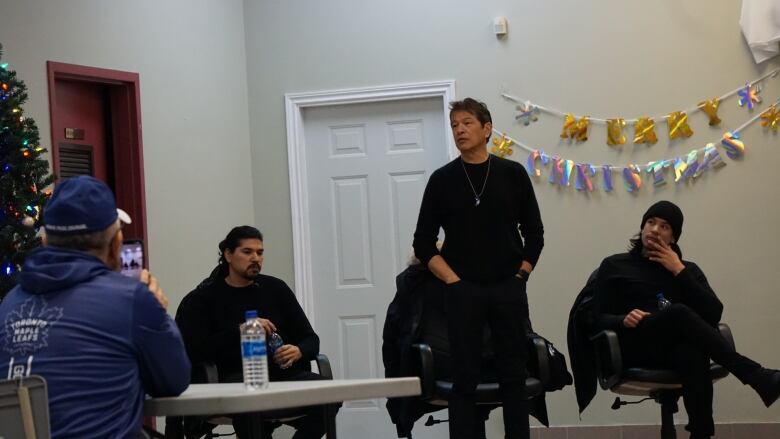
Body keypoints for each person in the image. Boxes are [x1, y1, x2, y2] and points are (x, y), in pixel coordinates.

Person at [0, 175, 190, 438]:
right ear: (115, 245)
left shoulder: (9, 304)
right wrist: (158, 312)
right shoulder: (132, 298)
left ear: (44, 242)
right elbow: (173, 380)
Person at [412, 98, 544, 439]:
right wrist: (454, 282)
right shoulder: (442, 180)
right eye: (455, 124)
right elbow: (423, 243)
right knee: (463, 379)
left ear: (487, 129)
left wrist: (521, 275)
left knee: (514, 377)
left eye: (467, 123)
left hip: (507, 288)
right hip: (462, 291)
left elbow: (534, 233)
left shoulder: (512, 174)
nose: (459, 130)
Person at [593, 200, 780, 439]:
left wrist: (679, 271)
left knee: (692, 352)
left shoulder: (687, 270)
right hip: (636, 344)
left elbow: (713, 314)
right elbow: (597, 319)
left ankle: (701, 433)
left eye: (664, 226)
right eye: (650, 222)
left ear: (674, 238)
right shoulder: (615, 265)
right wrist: (622, 320)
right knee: (678, 312)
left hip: (673, 350)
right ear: (642, 227)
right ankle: (756, 376)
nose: (654, 229)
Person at [176, 225, 337, 439]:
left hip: (282, 376)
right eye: (247, 252)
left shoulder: (276, 288)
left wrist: (298, 351)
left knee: (331, 394)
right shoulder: (204, 299)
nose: (256, 258)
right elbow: (195, 351)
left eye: (260, 253)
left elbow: (311, 339)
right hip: (235, 380)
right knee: (250, 403)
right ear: (228, 255)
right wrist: (240, 331)